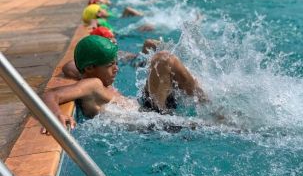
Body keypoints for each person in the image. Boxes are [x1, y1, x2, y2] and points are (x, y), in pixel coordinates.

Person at [42, 35, 206, 131]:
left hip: (148, 109)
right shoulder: (91, 84)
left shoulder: (92, 76)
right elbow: (51, 94)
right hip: (151, 122)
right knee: (164, 59)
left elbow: (69, 66)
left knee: (165, 59)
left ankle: (206, 102)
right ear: (90, 68)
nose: (116, 69)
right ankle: (208, 105)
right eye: (110, 65)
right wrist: (56, 115)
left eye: (115, 63)